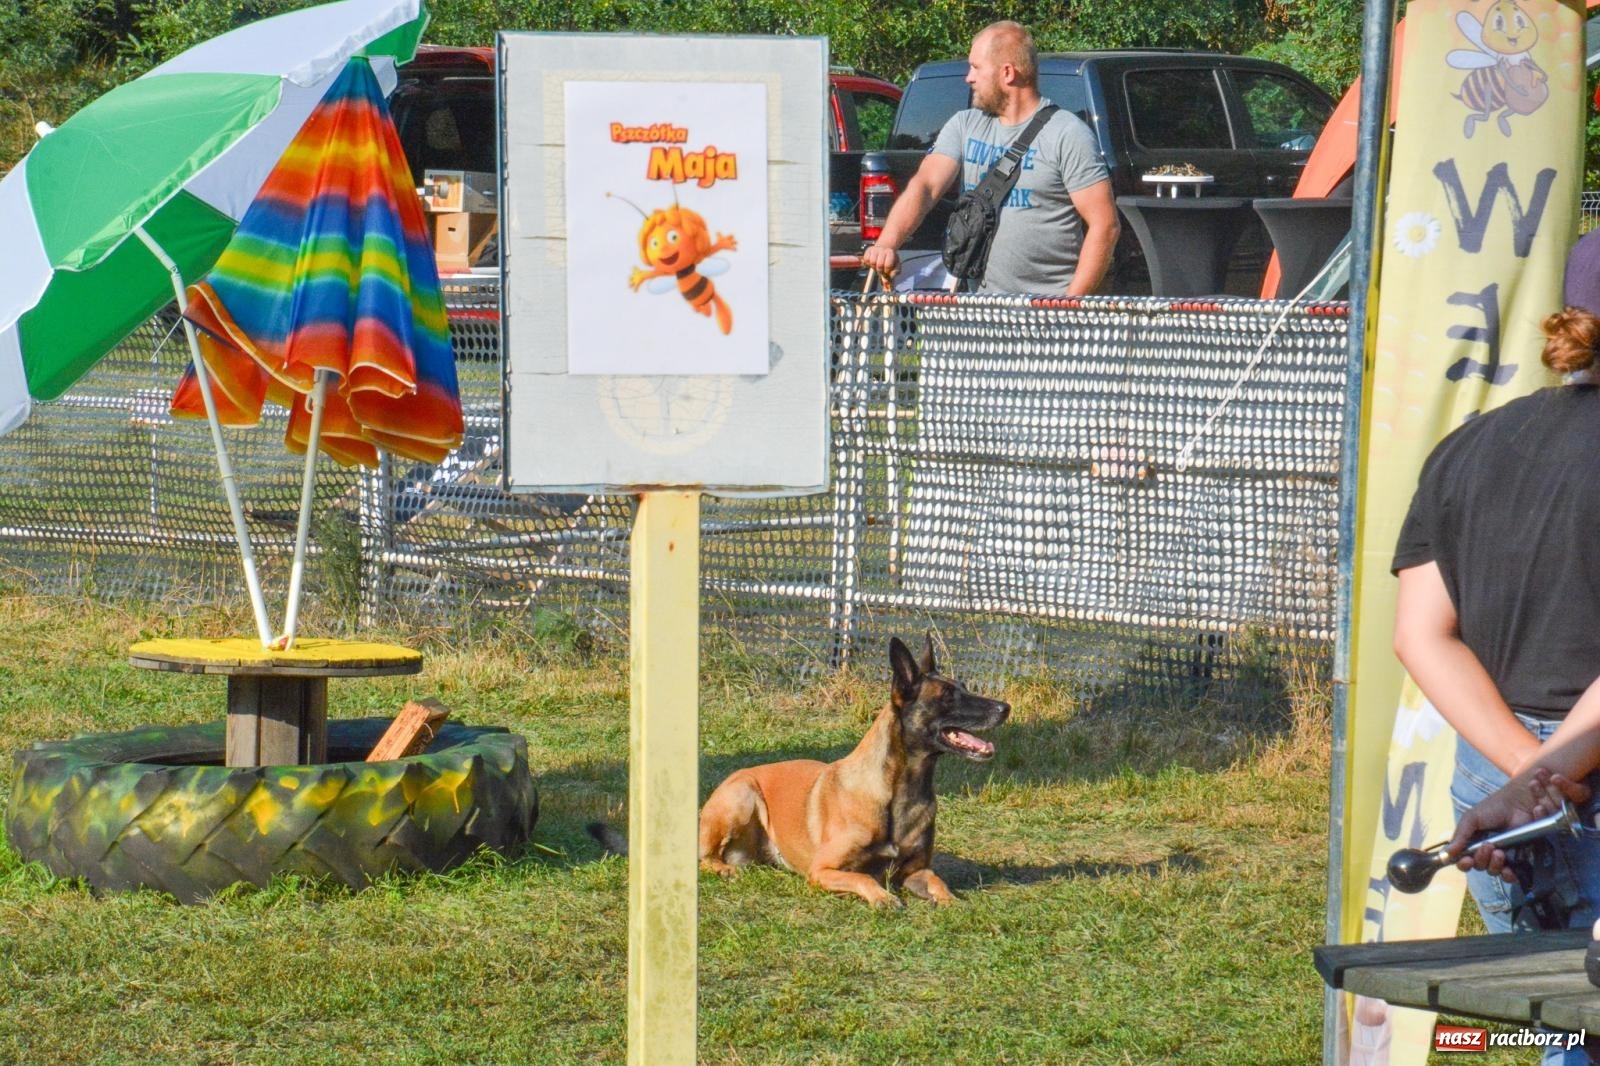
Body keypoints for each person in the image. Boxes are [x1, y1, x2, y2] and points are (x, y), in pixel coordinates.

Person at [1393, 228, 1600, 1065]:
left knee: (1566, 1028)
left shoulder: (1470, 444)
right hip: (1565, 783)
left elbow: (1420, 635)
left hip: (1496, 778)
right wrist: (1546, 780)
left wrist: (1525, 776)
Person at [859, 21, 1119, 295]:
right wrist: (887, 244)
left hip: (1046, 312)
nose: (968, 78)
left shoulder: (1067, 133)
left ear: (1007, 73)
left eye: (976, 67)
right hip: (982, 309)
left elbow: (1105, 225)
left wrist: (1067, 305)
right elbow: (926, 186)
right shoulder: (965, 124)